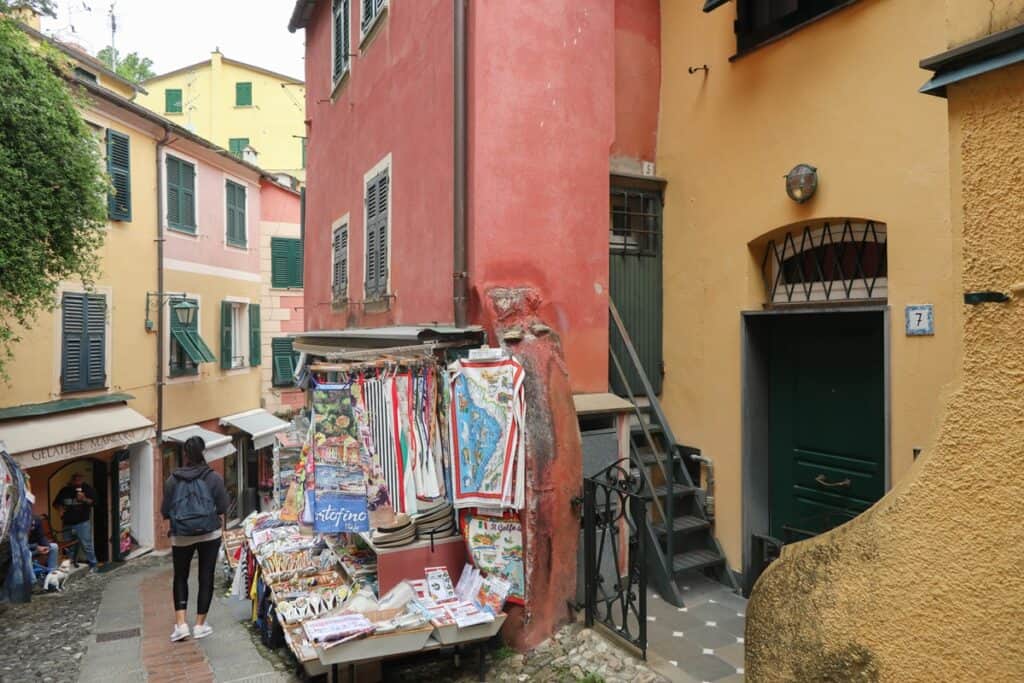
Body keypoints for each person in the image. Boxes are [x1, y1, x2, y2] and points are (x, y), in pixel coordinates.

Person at [160, 436, 228, 642]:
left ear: (186, 455)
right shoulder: (214, 478)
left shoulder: (172, 480)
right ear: (204, 452)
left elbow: (165, 510)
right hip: (209, 533)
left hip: (181, 535)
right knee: (206, 576)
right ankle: (200, 625)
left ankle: (181, 625)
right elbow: (224, 507)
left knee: (180, 575)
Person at [52, 473, 97, 570]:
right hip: (67, 522)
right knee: (69, 545)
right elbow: (56, 503)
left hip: (82, 522)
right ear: (72, 480)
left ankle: (93, 564)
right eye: (75, 480)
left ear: (82, 480)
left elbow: (94, 502)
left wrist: (83, 499)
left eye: (79, 480)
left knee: (86, 544)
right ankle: (71, 563)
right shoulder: (65, 490)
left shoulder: (87, 489)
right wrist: (60, 509)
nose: (77, 482)